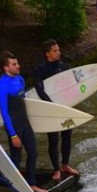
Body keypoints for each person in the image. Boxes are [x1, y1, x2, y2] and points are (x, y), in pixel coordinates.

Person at [0, 51, 47, 192]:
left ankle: (31, 183)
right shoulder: (1, 86)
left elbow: (24, 103)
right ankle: (20, 191)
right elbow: (4, 112)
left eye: (17, 63)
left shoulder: (20, 79)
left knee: (33, 152)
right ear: (6, 68)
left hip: (25, 122)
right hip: (14, 125)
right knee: (16, 159)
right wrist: (12, 135)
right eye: (14, 64)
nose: (18, 66)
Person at [35, 40, 79, 181]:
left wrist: (71, 102)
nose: (58, 52)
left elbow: (70, 88)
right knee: (53, 139)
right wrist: (51, 105)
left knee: (67, 136)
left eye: (58, 49)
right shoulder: (40, 70)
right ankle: (56, 169)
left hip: (65, 107)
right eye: (54, 50)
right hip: (50, 110)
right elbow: (39, 89)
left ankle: (65, 164)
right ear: (47, 53)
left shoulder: (64, 67)